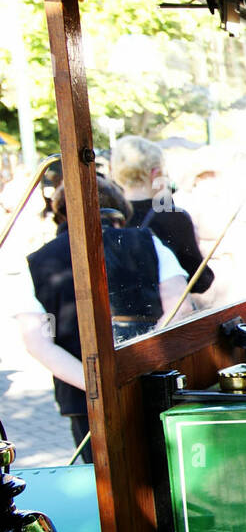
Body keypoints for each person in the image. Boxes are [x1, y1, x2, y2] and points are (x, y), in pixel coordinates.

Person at [14, 174, 190, 462]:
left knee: (102, 483)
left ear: (61, 213)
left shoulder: (37, 261)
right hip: (149, 383)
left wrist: (96, 384)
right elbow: (179, 308)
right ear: (120, 211)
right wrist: (136, 368)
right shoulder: (148, 242)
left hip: (84, 399)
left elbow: (37, 343)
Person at [110, 135, 215, 292]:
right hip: (168, 313)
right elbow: (200, 282)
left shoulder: (108, 217)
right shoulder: (172, 217)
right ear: (155, 173)